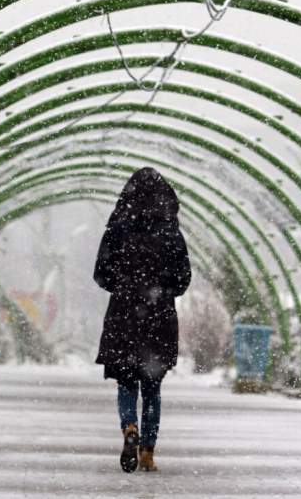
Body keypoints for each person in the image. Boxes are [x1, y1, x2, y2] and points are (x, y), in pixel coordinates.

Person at [93, 167, 191, 473]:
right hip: (159, 316)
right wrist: (161, 292)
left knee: (126, 381)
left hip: (124, 313)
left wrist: (124, 287)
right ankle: (148, 451)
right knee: (152, 386)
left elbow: (101, 272)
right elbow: (183, 278)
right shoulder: (171, 231)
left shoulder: (118, 226)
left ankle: (129, 427)